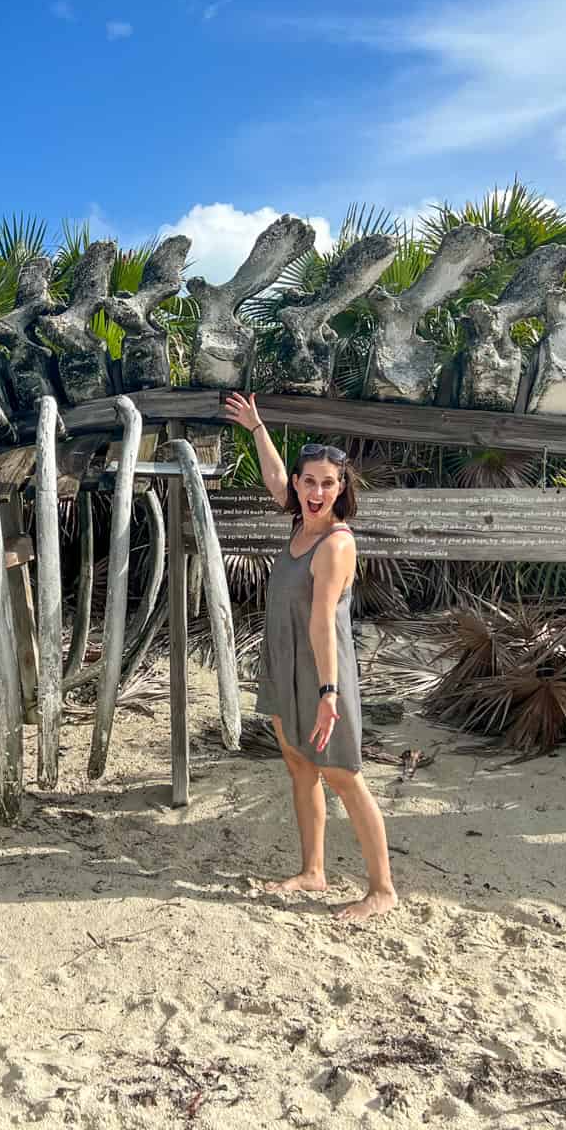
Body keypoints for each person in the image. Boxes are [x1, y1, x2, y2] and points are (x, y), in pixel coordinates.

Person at [222, 392, 398, 921]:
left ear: (341, 489)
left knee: (343, 774)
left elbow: (323, 621)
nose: (316, 491)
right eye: (309, 481)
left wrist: (329, 694)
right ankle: (313, 870)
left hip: (325, 673)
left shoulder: (336, 544)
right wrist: (257, 428)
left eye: (328, 483)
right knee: (300, 767)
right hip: (283, 663)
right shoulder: (300, 522)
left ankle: (383, 889)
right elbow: (275, 477)